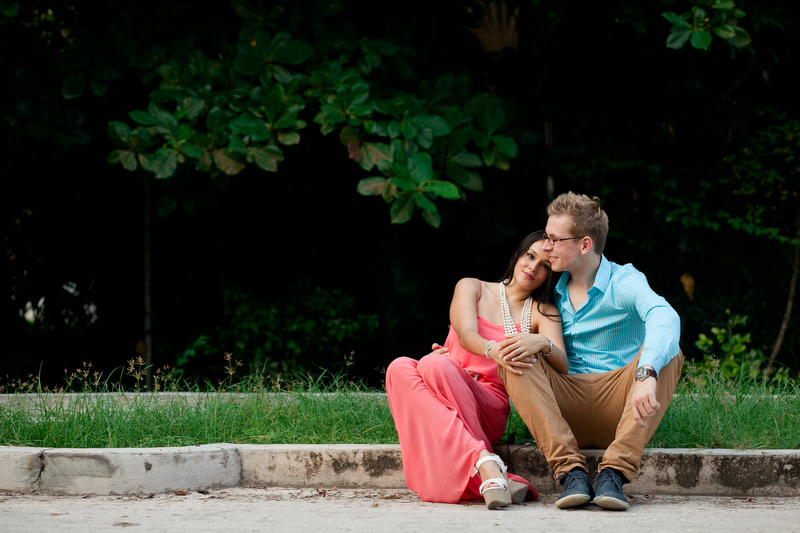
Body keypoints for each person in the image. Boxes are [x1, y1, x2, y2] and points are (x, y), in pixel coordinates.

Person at [498, 192, 683, 512]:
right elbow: (497, 307)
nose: (546, 246)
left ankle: (614, 473)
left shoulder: (624, 280)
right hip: (564, 405)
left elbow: (663, 314)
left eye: (554, 239)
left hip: (622, 404)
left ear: (584, 245)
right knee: (516, 353)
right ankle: (571, 472)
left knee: (669, 353)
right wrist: (459, 350)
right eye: (546, 237)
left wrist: (647, 372)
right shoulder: (547, 286)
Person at [385, 231, 569, 509]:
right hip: (444, 382)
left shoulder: (542, 312)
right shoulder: (472, 287)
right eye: (530, 257)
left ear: (550, 274)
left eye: (545, 265)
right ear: (517, 255)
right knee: (400, 367)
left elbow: (562, 363)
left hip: (488, 403)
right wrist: (491, 350)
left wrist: (543, 342)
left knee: (434, 364)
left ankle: (481, 462)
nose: (533, 267)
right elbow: (467, 332)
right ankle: (485, 461)